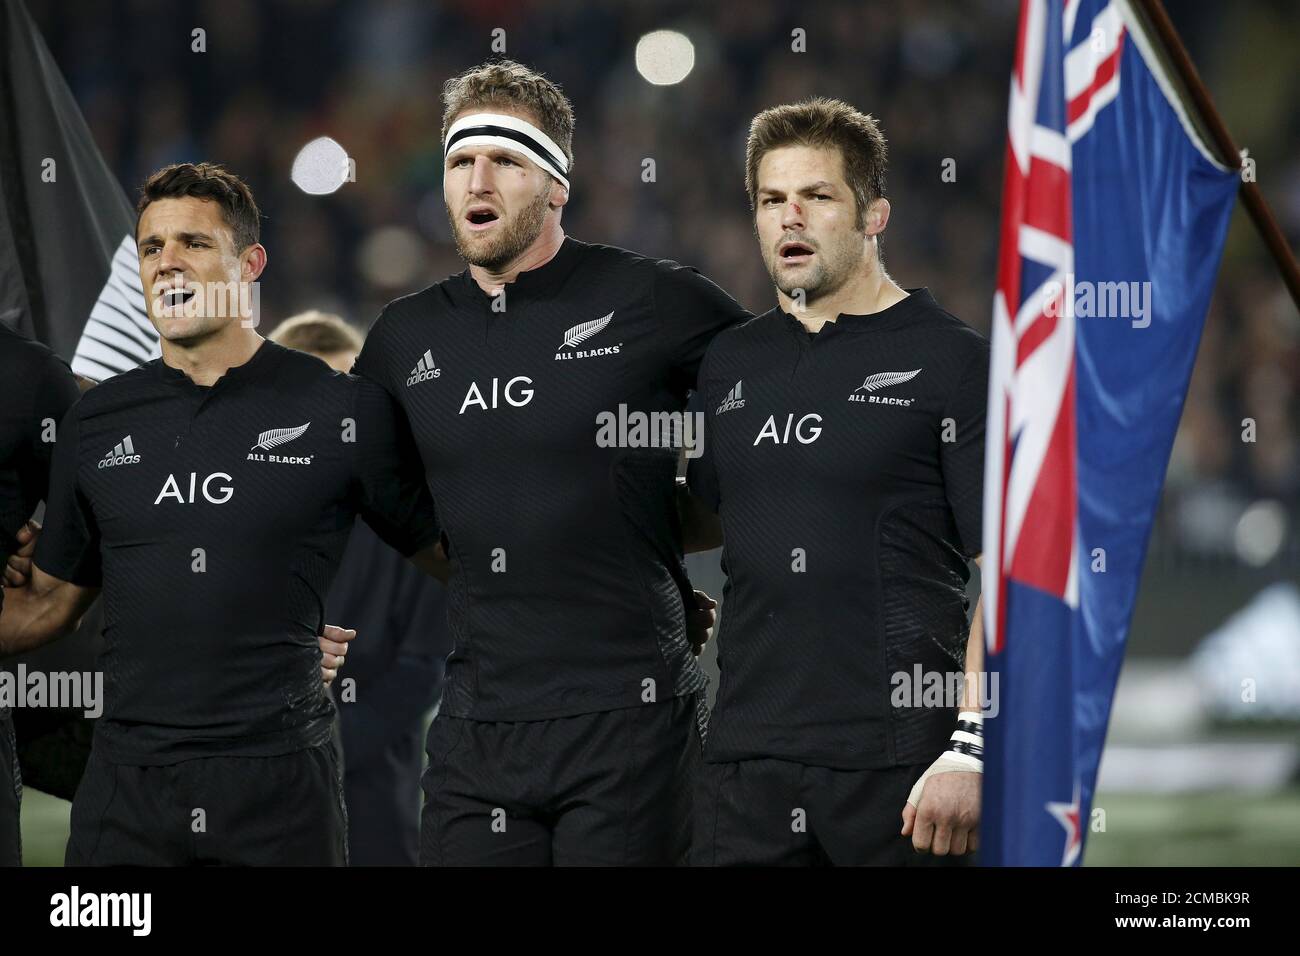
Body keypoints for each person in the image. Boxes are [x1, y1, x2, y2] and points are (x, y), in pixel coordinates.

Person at [352, 60, 743, 865]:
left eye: (506, 160)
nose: (476, 178)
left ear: (557, 186)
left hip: (632, 719)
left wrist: (662, 535)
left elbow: (784, 391)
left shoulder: (653, 299)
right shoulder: (403, 338)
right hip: (475, 725)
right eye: (461, 161)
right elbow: (366, 493)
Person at [0, 163, 446, 865]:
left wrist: (636, 594)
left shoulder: (341, 411)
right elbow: (46, 605)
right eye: (152, 248)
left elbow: (457, 557)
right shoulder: (95, 423)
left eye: (193, 244)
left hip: (278, 791)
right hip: (126, 798)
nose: (168, 262)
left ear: (250, 263)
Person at [685, 98, 988, 865]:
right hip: (743, 763)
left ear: (874, 214)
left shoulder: (954, 362)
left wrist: (972, 744)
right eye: (770, 200)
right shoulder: (730, 362)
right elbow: (710, 522)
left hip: (901, 770)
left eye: (817, 197)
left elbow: (1010, 571)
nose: (791, 218)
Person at [270, 310, 449, 866]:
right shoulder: (241, 523)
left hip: (374, 795)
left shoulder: (415, 523)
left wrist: (327, 745)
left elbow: (424, 666)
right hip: (260, 786)